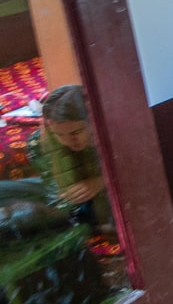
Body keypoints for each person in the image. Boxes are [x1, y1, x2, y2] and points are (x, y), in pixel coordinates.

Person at [26, 85, 111, 229]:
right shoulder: (38, 144)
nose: (68, 141)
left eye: (75, 132)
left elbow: (139, 172)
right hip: (68, 199)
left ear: (93, 120)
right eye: (59, 134)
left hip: (111, 192)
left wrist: (103, 181)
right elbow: (57, 195)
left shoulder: (114, 131)